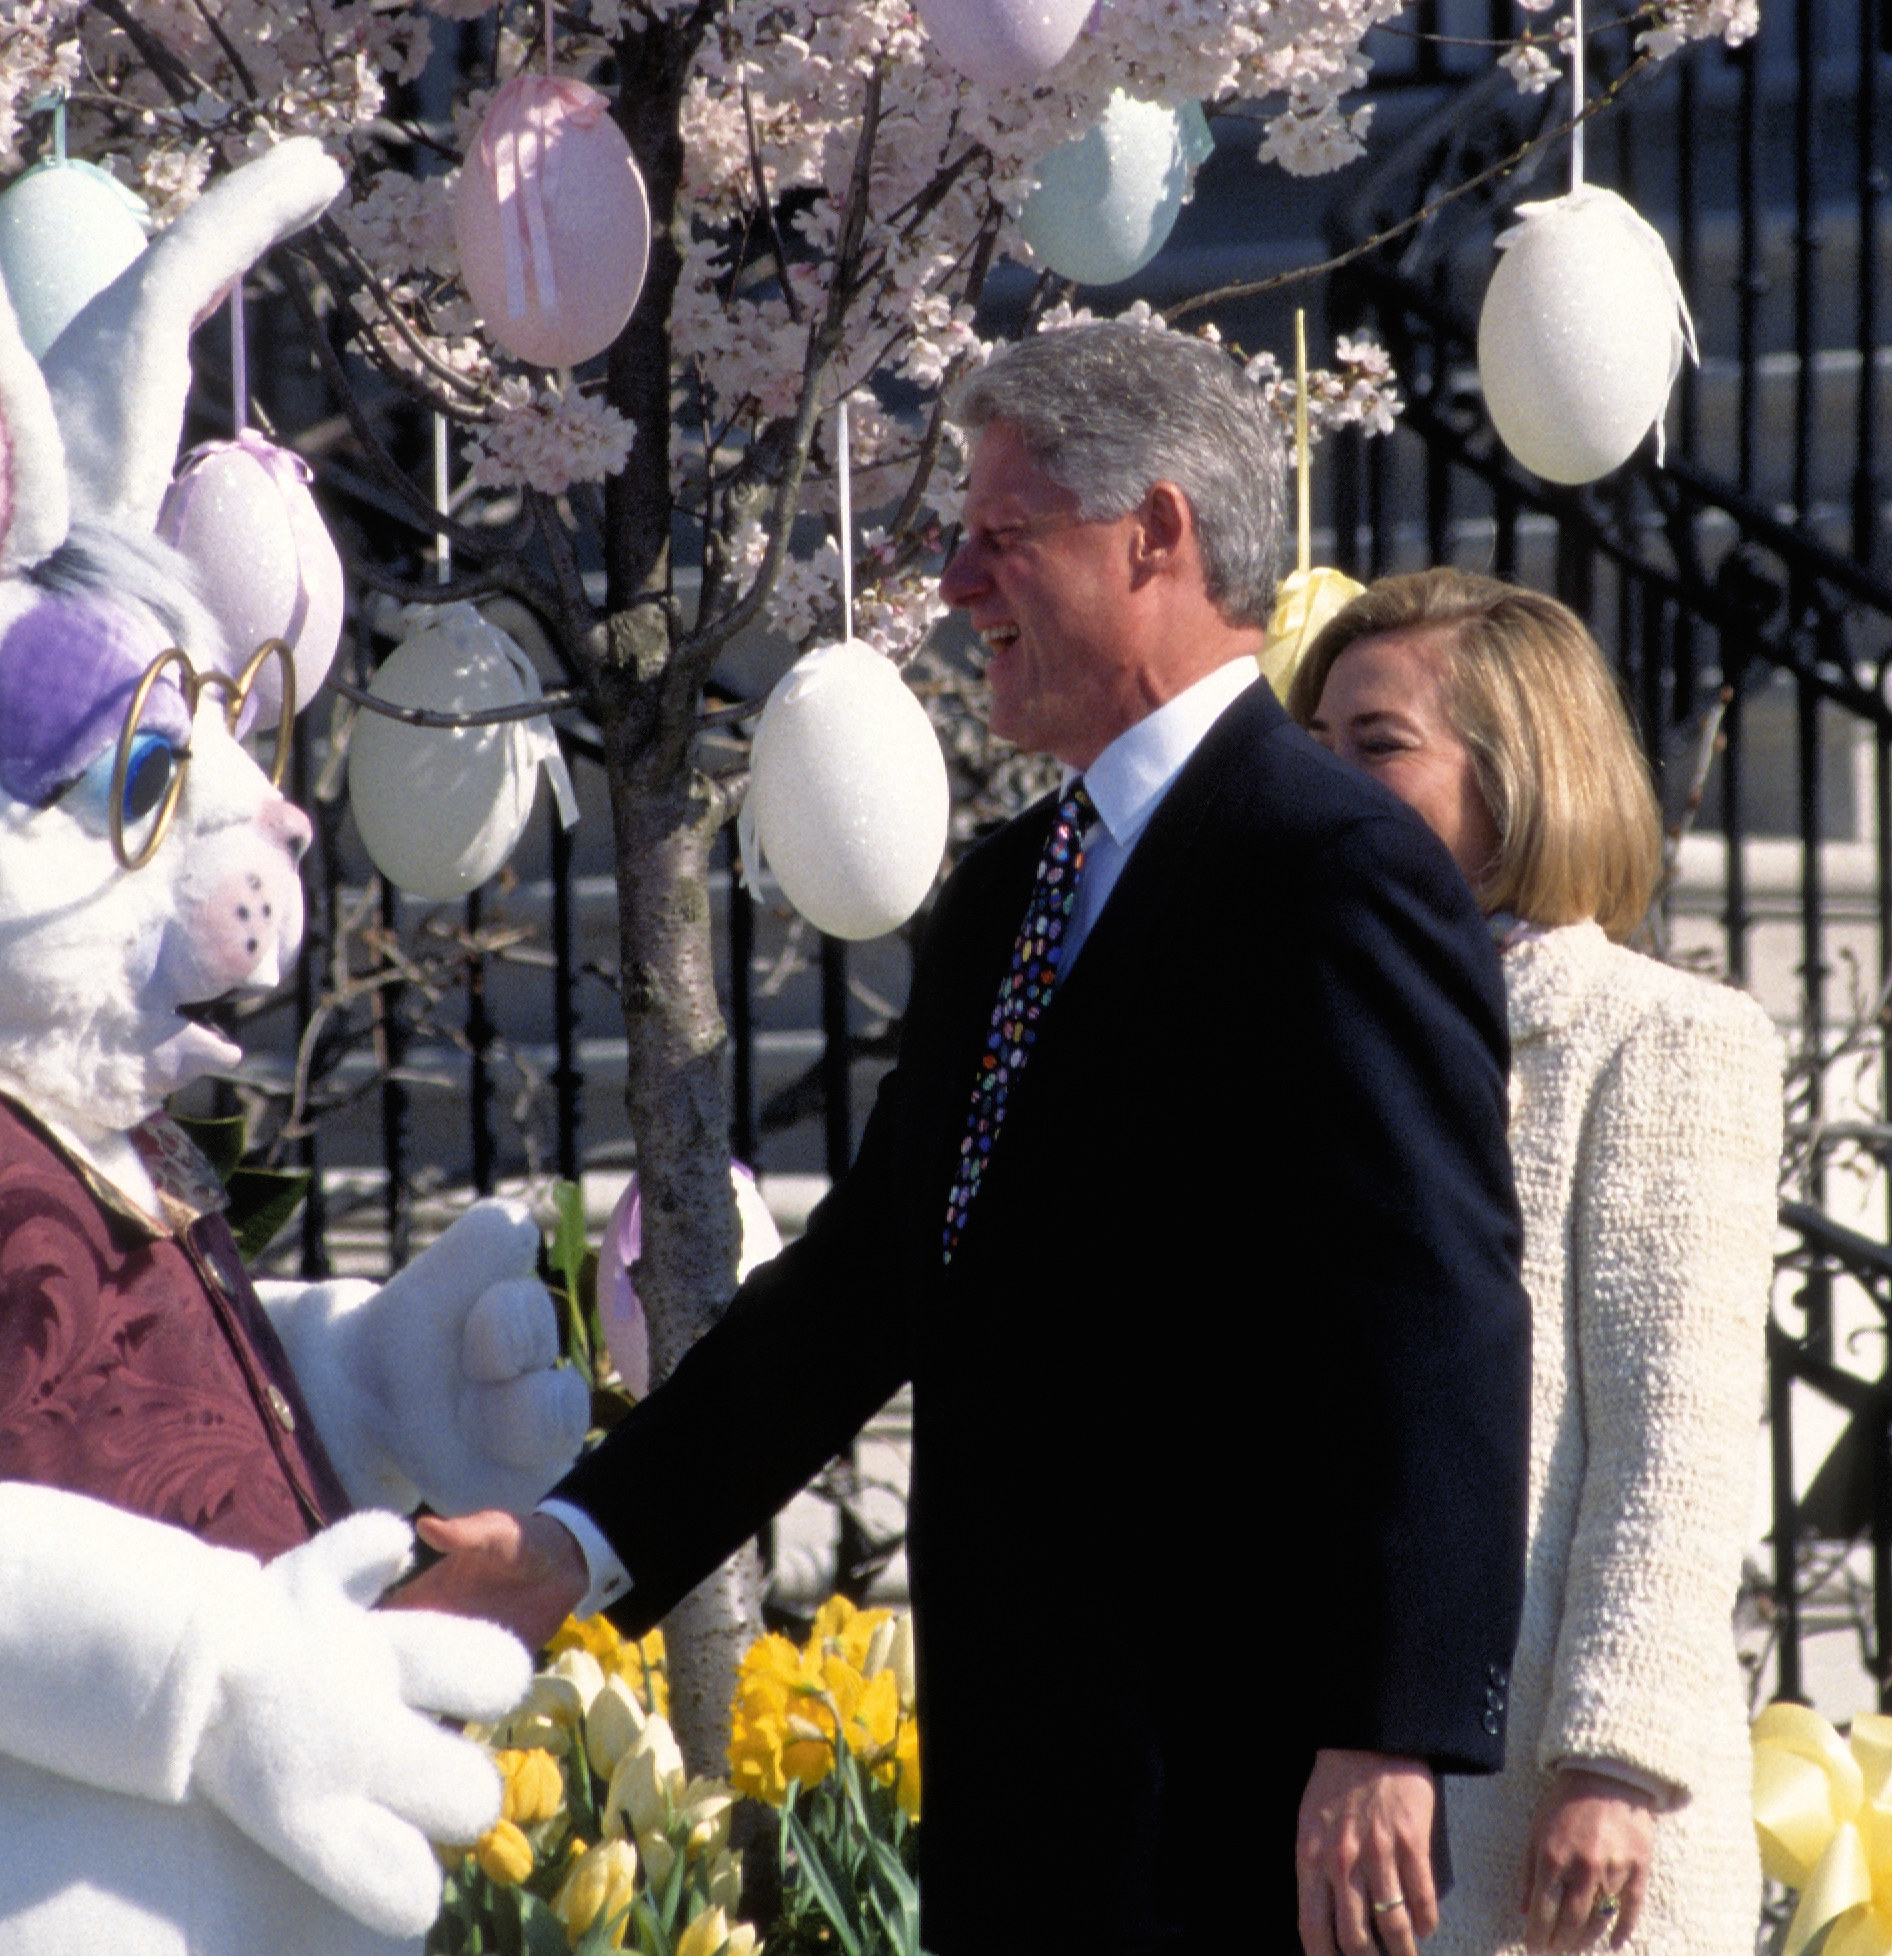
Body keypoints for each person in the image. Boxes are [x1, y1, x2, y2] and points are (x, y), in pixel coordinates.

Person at [399, 321, 1534, 1956]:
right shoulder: (1016, 886)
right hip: (1032, 1763)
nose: (952, 585)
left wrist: (1387, 1725)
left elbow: (1435, 1305)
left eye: (1000, 538)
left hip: (1235, 1768)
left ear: (1154, 535)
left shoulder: (1326, 860)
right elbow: (873, 1282)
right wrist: (579, 1541)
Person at [1292, 569, 1775, 1955]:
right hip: (1333, 1807)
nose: (1327, 782)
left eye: (1376, 745)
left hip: (1560, 1835)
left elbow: (1671, 1439)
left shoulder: (1655, 1040)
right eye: (1313, 745)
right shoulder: (1303, 1042)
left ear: (1518, 776)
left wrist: (1615, 1764)